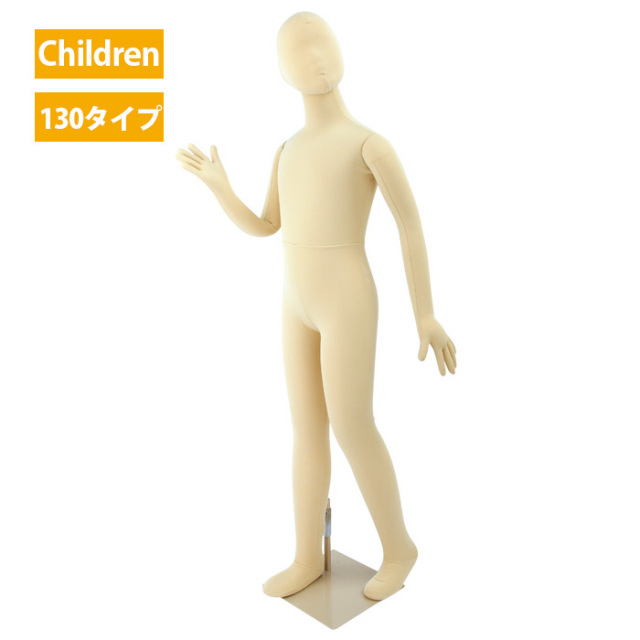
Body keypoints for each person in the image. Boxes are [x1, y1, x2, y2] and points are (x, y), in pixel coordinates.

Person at [176, 11, 456, 601]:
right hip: (293, 302)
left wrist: (425, 312)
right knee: (306, 429)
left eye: (324, 43)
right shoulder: (287, 150)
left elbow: (409, 226)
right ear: (282, 71)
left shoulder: (369, 144)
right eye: (300, 51)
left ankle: (399, 548)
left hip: (347, 298)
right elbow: (266, 225)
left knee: (353, 425)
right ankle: (307, 555)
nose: (317, 58)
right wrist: (220, 187)